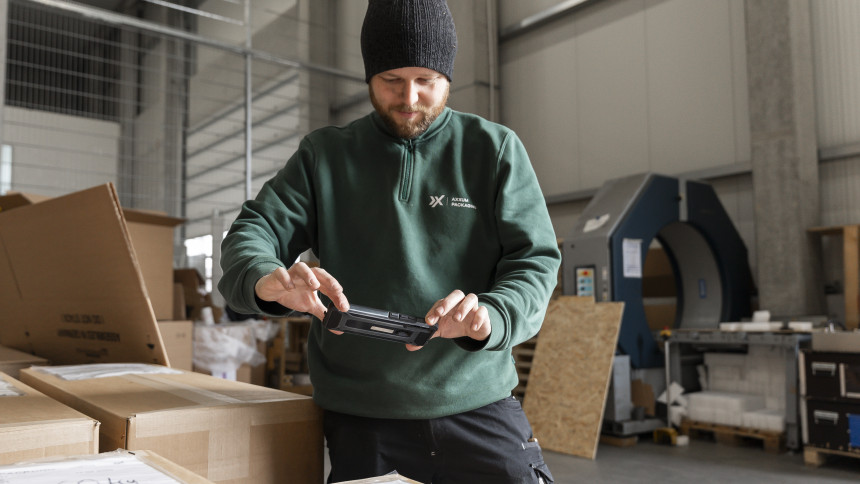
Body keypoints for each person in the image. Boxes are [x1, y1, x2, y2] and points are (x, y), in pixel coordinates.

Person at [218, 0, 561, 482]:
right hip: (363, 420)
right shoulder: (326, 156)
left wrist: (495, 314)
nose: (410, 97)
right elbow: (252, 230)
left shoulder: (493, 149)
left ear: (448, 76)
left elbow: (535, 260)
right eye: (391, 80)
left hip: (477, 402)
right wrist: (264, 278)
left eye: (427, 80)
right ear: (368, 76)